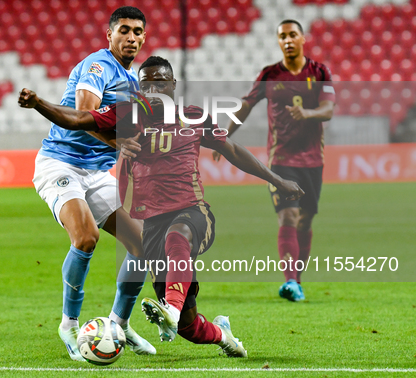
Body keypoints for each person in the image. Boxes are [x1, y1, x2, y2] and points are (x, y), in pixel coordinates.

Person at [18, 55, 304, 357]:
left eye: (160, 83)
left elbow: (232, 150)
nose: (153, 90)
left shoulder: (193, 116)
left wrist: (277, 180)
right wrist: (38, 103)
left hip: (193, 212)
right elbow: (77, 119)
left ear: (173, 86)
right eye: (147, 85)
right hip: (153, 221)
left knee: (177, 235)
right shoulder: (127, 115)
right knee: (190, 328)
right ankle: (221, 333)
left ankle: (163, 310)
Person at [30, 6, 155, 360]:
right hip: (60, 163)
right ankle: (69, 324)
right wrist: (121, 144)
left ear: (144, 37)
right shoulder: (97, 66)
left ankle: (119, 324)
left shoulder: (132, 83)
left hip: (97, 172)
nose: (131, 37)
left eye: (137, 32)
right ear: (109, 35)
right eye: (124, 30)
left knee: (142, 246)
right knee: (86, 237)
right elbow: (85, 117)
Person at [213, 20, 335, 302]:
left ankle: (297, 280)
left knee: (305, 221)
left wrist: (308, 114)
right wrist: (222, 135)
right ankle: (290, 281)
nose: (288, 40)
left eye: (293, 34)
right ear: (278, 41)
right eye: (282, 36)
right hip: (280, 160)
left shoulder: (319, 72)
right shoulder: (270, 75)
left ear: (303, 38)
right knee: (288, 216)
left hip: (313, 161)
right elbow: (245, 106)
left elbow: (328, 109)